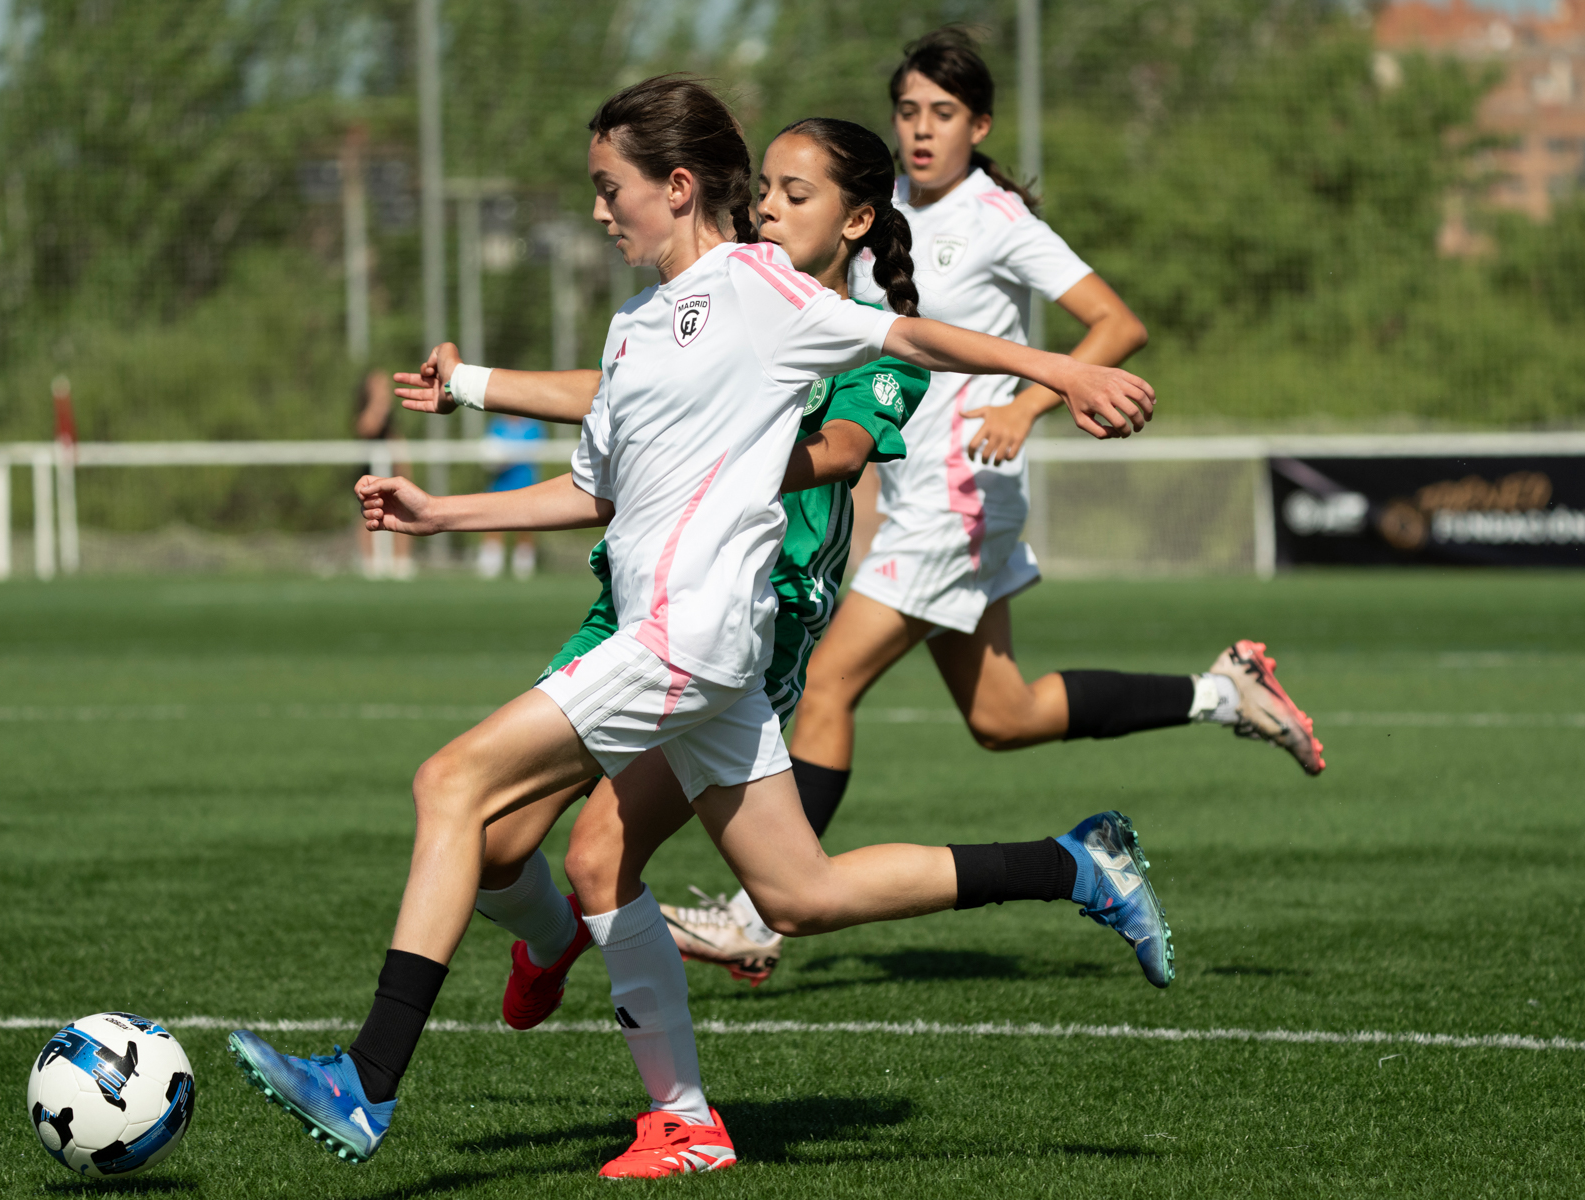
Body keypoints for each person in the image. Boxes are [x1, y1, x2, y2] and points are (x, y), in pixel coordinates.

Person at [225, 75, 1160, 1177]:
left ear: (676, 187)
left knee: (452, 786)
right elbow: (599, 487)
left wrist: (1061, 369)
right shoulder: (633, 326)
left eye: (607, 187)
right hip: (695, 646)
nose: (596, 210)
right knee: (798, 894)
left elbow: (912, 338)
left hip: (688, 637)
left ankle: (367, 1081)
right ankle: (1067, 869)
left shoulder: (765, 291)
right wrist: (444, 513)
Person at [657, 29, 1325, 985]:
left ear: (980, 125)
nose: (922, 130)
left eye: (943, 113)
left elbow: (1117, 323)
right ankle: (1226, 693)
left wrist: (1026, 404)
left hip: (963, 497)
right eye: (908, 111)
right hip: (927, 498)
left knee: (829, 685)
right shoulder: (874, 211)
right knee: (1004, 714)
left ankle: (756, 915)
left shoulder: (997, 217)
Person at [353, 369, 415, 579]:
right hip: (369, 473)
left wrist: (404, 470)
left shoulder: (391, 417)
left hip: (391, 474)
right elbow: (366, 428)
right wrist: (378, 402)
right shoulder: (369, 411)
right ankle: (371, 565)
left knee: (402, 513)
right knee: (368, 514)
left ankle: (401, 564)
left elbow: (397, 443)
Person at [476, 414, 543, 579]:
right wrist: (497, 461)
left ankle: (523, 565)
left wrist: (508, 457)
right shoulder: (496, 424)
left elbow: (536, 451)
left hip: (526, 484)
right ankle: (491, 563)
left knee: (526, 525)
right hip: (500, 484)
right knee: (494, 522)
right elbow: (489, 452)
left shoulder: (533, 426)